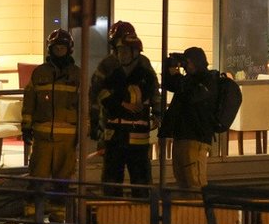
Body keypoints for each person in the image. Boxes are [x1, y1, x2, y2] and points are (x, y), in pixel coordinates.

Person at [94, 24, 157, 194]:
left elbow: (154, 91)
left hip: (135, 133)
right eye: (120, 49)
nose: (122, 54)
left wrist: (158, 115)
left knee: (140, 180)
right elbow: (98, 94)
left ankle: (141, 208)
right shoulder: (109, 66)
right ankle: (113, 208)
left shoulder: (143, 67)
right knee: (112, 179)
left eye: (125, 50)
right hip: (115, 132)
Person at [24, 28, 82, 213]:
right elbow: (29, 101)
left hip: (67, 140)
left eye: (62, 48)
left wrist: (83, 131)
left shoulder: (77, 75)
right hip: (43, 138)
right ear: (50, 49)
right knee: (37, 178)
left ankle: (58, 215)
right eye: (56, 48)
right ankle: (32, 214)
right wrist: (26, 126)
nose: (59, 51)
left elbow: (84, 107)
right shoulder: (39, 73)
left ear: (69, 50)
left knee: (62, 181)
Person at [160, 46, 220, 191]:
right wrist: (169, 68)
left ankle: (199, 206)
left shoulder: (208, 79)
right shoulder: (188, 79)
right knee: (182, 181)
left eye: (188, 62)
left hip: (196, 138)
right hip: (181, 136)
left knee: (195, 183)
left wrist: (176, 75)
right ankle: (188, 206)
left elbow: (192, 95)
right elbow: (170, 84)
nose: (185, 66)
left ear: (197, 62)